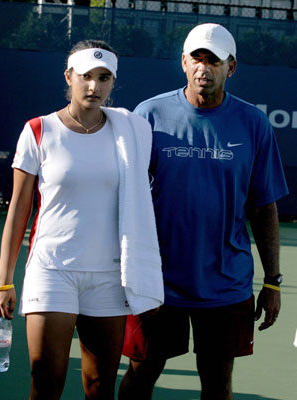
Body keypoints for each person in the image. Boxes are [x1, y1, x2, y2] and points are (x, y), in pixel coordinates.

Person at [118, 23, 289, 400]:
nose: (204, 67)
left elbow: (264, 209)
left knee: (217, 382)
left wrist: (273, 281)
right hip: (157, 283)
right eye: (197, 57)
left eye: (214, 60)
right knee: (140, 375)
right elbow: (124, 198)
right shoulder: (148, 115)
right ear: (183, 62)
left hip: (226, 285)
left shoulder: (254, 124)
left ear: (231, 67)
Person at [0, 39, 163, 400]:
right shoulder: (38, 130)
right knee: (46, 380)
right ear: (68, 77)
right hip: (52, 272)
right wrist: (3, 280)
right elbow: (19, 209)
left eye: (104, 78)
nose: (94, 86)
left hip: (109, 277)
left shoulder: (128, 133)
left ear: (113, 82)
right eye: (85, 76)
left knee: (99, 386)